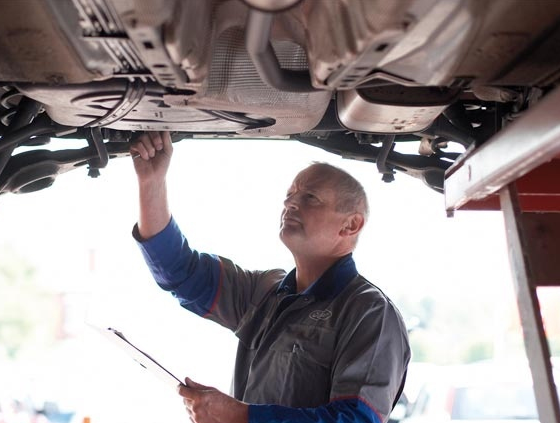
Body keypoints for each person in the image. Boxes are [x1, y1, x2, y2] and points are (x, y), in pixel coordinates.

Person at [130, 131, 411, 423]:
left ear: (350, 225)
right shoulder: (266, 292)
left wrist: (239, 415)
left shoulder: (370, 313)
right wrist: (151, 182)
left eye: (310, 198)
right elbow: (180, 272)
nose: (290, 204)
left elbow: (356, 420)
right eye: (289, 196)